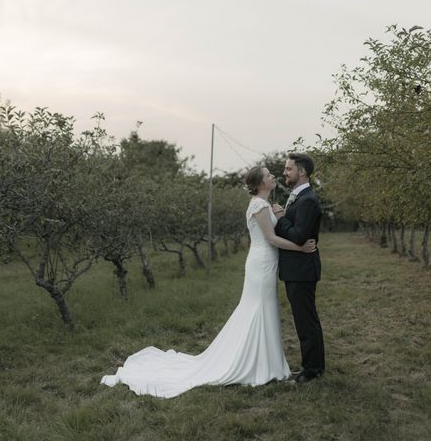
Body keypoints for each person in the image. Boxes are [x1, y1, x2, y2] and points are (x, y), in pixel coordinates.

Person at [100, 166, 316, 398]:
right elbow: (272, 239)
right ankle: (258, 364)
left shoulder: (264, 204)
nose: (273, 176)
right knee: (259, 309)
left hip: (264, 262)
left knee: (263, 308)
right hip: (262, 263)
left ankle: (267, 362)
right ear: (259, 183)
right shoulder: (259, 206)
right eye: (268, 175)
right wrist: (301, 248)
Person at [272, 153, 325, 383]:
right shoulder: (298, 197)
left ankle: (311, 370)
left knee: (306, 321)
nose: (285, 172)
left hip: (302, 269)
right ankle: (314, 367)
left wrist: (281, 217)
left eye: (288, 169)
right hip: (297, 268)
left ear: (301, 172)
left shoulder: (308, 200)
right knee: (305, 319)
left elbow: (298, 236)